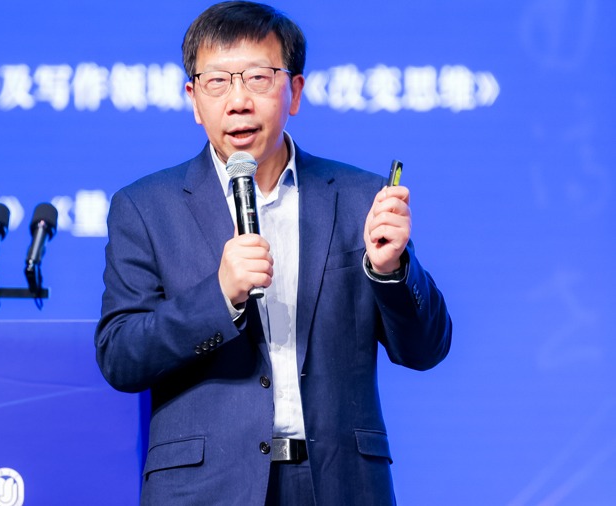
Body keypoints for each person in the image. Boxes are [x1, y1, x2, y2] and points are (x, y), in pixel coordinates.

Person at [94, 2, 452, 504]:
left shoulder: (359, 198)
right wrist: (218, 297)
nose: (238, 101)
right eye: (217, 82)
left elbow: (425, 350)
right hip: (206, 489)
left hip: (339, 484)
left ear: (295, 91)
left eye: (259, 78)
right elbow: (120, 356)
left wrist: (391, 271)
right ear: (194, 99)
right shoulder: (145, 207)